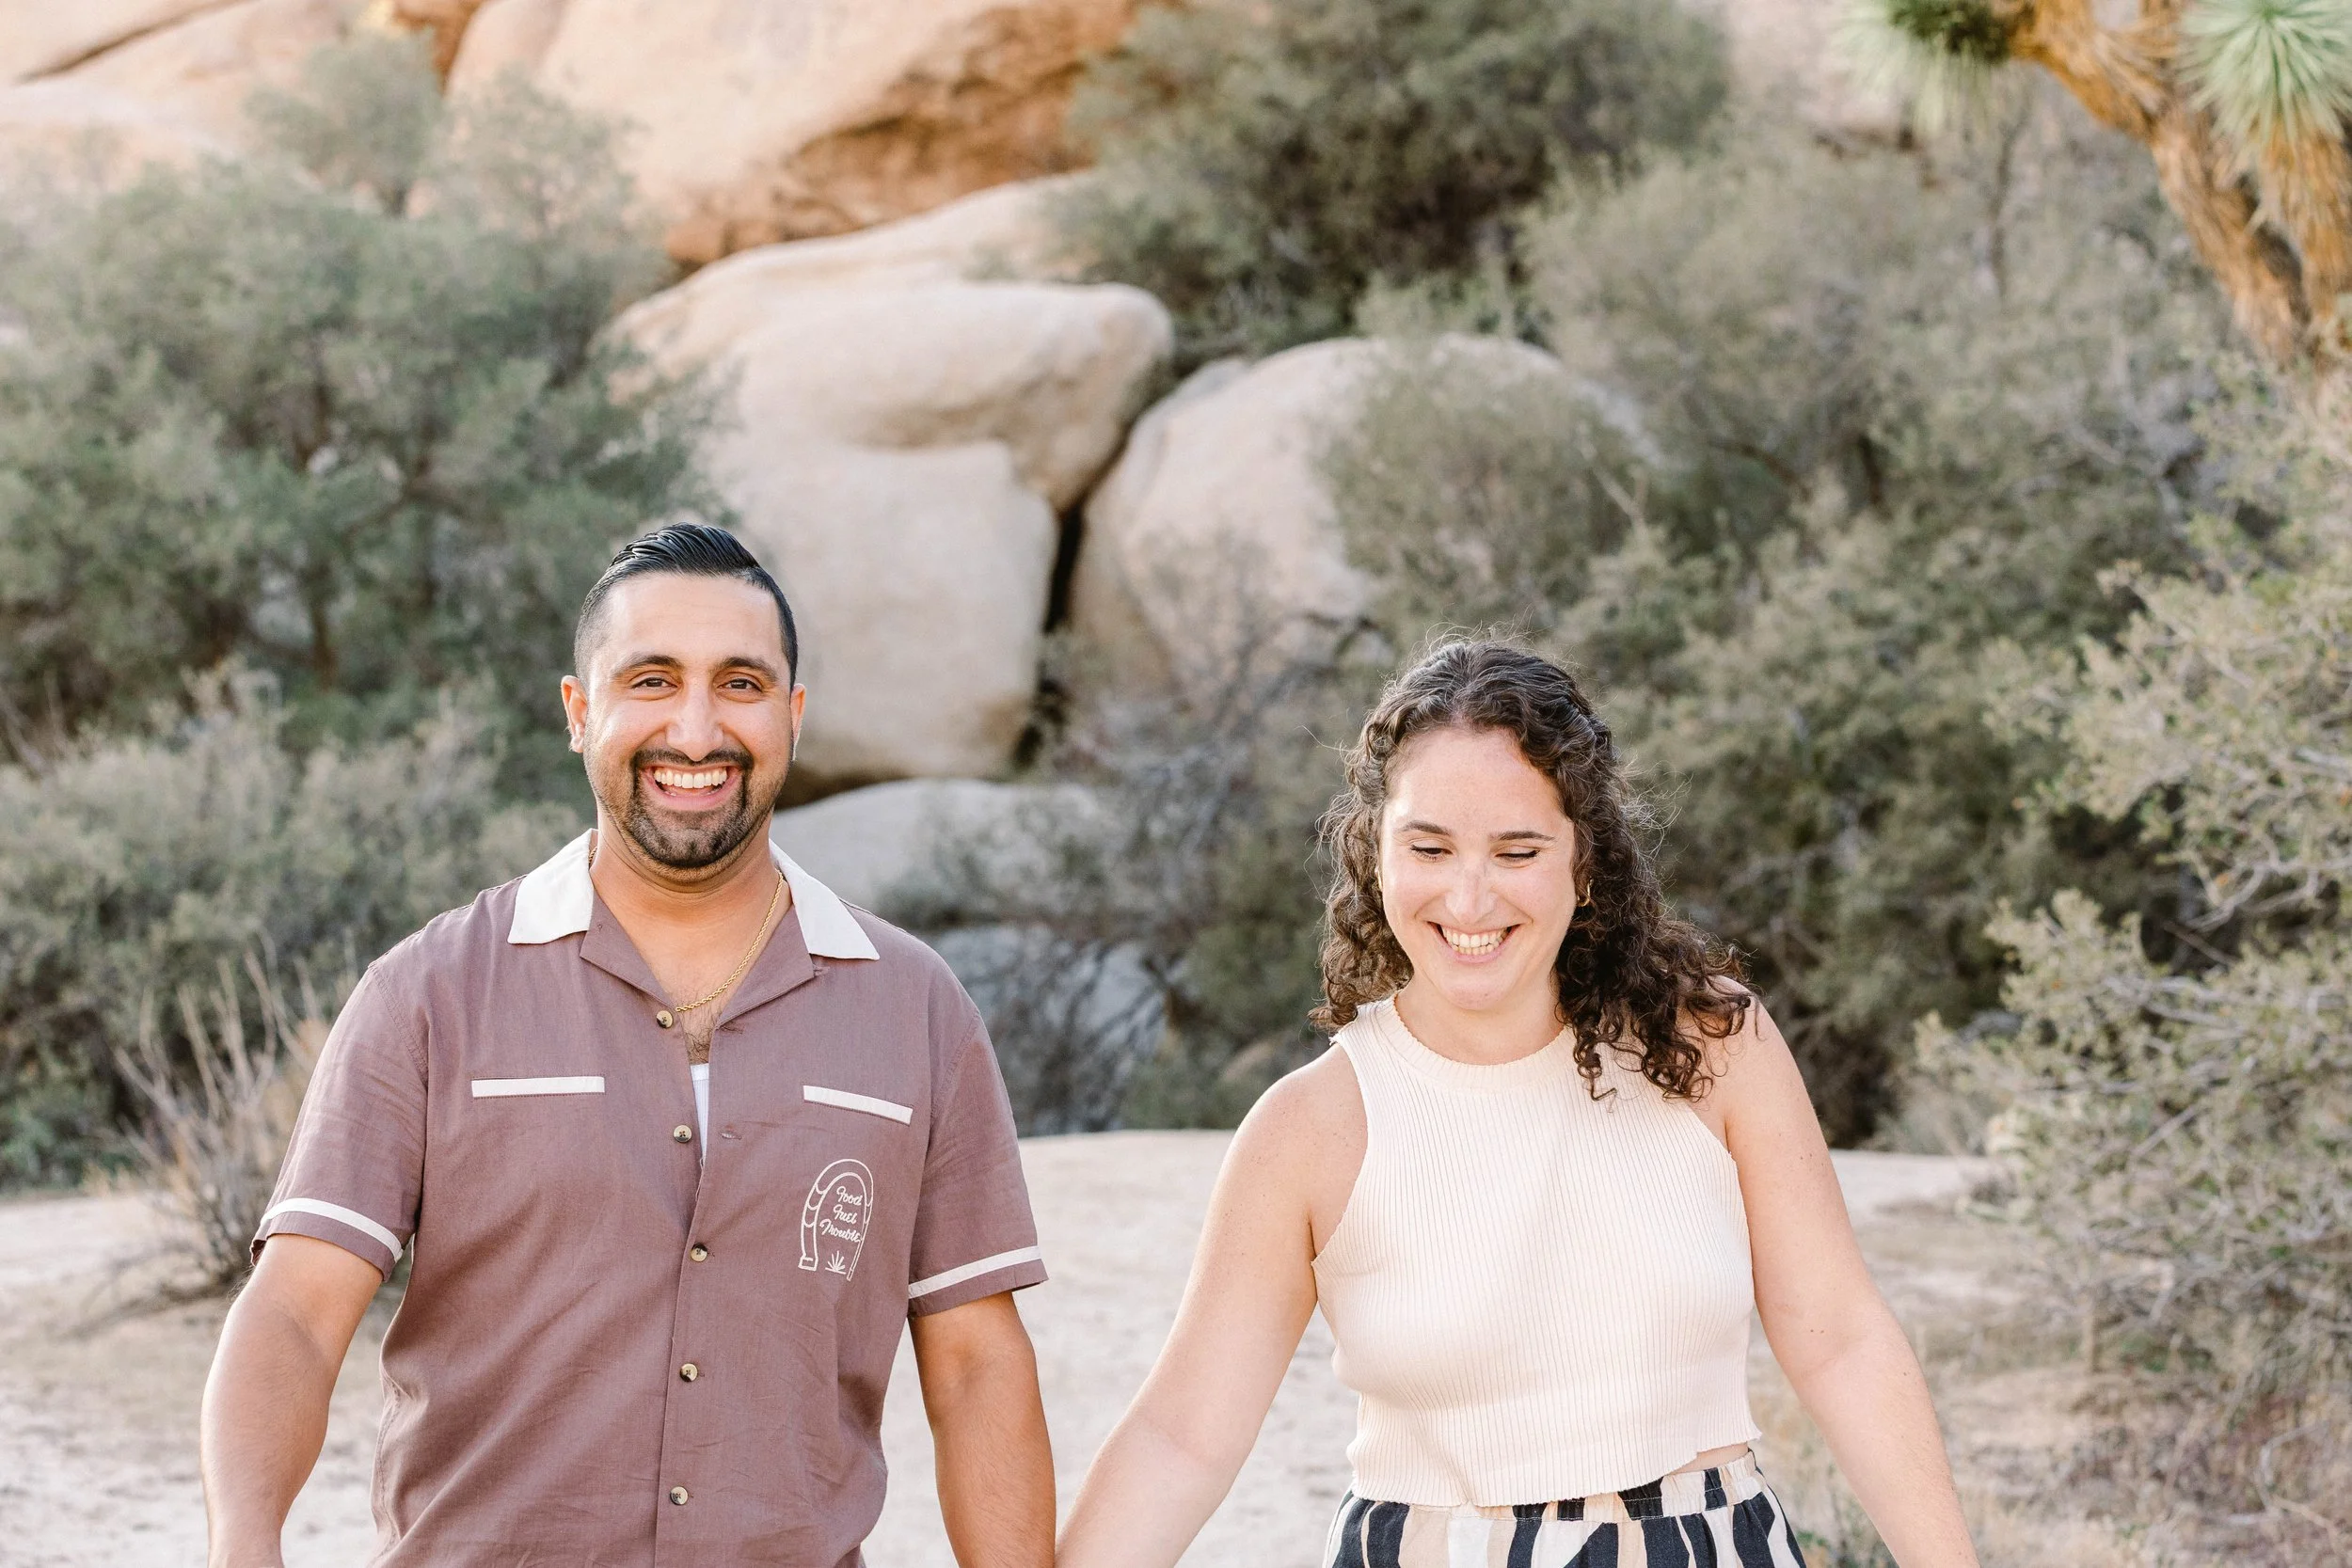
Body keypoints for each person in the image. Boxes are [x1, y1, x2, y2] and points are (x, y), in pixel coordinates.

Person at [200, 523, 1055, 1568]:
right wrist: (243, 1544)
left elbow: (973, 1365)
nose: (695, 730)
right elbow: (293, 1309)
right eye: (651, 680)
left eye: (740, 684)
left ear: (791, 716)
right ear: (579, 711)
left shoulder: (918, 1008)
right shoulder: (428, 992)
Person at [1057, 641, 1981, 1568]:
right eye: (1428, 846)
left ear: (1585, 864)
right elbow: (1183, 1435)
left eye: (1516, 849)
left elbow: (1841, 1341)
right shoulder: (1308, 1129)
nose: (1469, 894)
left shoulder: (1708, 1042)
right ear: (1375, 853)